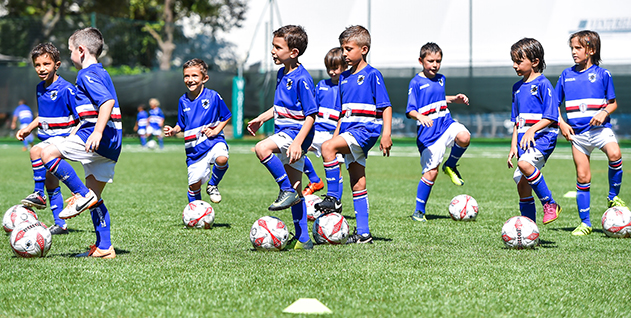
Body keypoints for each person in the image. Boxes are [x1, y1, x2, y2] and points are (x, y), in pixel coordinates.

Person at [38, 27, 121, 258]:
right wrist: (81, 127)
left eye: (71, 50)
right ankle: (104, 247)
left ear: (81, 51)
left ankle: (81, 194)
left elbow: (106, 103)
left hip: (98, 139)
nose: (70, 55)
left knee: (47, 154)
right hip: (112, 144)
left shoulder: (87, 74)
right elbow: (93, 108)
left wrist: (96, 131)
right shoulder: (101, 72)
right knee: (95, 198)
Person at [314, 25, 393, 244]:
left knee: (326, 147)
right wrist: (336, 136)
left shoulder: (372, 75)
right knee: (357, 182)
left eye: (349, 49)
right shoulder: (344, 79)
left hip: (365, 130)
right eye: (343, 49)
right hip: (349, 130)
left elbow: (386, 106)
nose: (345, 54)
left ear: (364, 49)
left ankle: (333, 199)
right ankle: (364, 233)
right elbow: (342, 114)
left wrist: (386, 133)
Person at [247, 25, 317, 250]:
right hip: (286, 133)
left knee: (261, 149)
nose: (273, 51)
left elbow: (311, 116)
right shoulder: (281, 73)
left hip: (295, 134)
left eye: (278, 47)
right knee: (298, 191)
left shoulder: (302, 78)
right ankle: (304, 239)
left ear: (293, 52)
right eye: (273, 46)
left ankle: (283, 189)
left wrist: (298, 142)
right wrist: (261, 118)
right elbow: (279, 107)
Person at [555, 30, 625, 236]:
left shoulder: (604, 75)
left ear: (591, 50)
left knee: (615, 154)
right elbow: (554, 105)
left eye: (578, 48)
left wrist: (603, 113)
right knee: (583, 177)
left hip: (600, 130)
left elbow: (612, 103)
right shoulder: (565, 76)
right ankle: (585, 223)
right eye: (572, 48)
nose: (574, 52)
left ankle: (613, 195)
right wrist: (561, 124)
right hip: (578, 135)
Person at [406, 43, 471, 222]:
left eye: (438, 61)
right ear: (421, 61)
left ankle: (450, 165)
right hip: (428, 134)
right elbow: (410, 110)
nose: (435, 65)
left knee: (464, 137)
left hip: (446, 123)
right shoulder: (416, 82)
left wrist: (454, 99)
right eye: (430, 61)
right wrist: (420, 116)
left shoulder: (441, 78)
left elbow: (438, 98)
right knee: (431, 173)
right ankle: (418, 211)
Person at [507, 38, 561, 225]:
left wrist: (532, 130)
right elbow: (517, 122)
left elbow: (552, 116)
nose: (514, 65)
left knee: (525, 164)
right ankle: (531, 230)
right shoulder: (516, 88)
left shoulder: (544, 84)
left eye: (519, 61)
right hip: (523, 142)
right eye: (513, 61)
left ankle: (550, 203)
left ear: (535, 62)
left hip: (543, 138)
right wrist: (513, 146)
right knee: (522, 186)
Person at [164, 58, 231, 204]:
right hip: (194, 150)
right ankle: (196, 212)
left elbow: (226, 116)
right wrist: (173, 130)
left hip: (214, 141)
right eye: (186, 76)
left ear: (204, 78)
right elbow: (181, 124)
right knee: (194, 185)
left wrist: (216, 131)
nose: (190, 79)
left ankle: (213, 185)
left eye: (195, 76)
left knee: (222, 158)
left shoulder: (213, 96)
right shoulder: (183, 100)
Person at [302, 47, 347, 196]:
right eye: (329, 69)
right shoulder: (321, 85)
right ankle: (314, 179)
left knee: (336, 170)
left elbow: (343, 116)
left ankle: (335, 202)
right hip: (317, 132)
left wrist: (335, 138)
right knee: (293, 150)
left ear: (345, 67)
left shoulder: (347, 86)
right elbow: (312, 109)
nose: (332, 72)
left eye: (336, 68)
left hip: (335, 134)